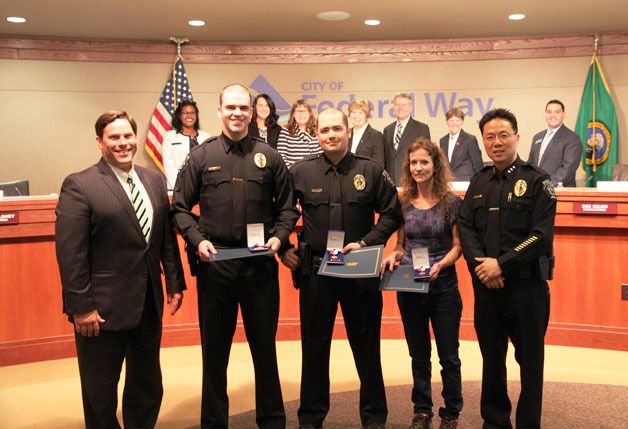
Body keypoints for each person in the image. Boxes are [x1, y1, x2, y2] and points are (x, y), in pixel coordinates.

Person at [171, 84, 296, 429]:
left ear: (252, 111)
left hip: (259, 268)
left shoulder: (269, 156)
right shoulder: (201, 156)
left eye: (244, 107)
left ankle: (272, 421)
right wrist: (196, 240)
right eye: (231, 107)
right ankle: (213, 424)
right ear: (219, 110)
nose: (238, 113)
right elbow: (179, 208)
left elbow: (287, 209)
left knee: (264, 350)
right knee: (214, 354)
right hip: (217, 265)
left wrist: (280, 237)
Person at [55, 110, 186, 429]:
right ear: (100, 141)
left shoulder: (154, 180)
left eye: (128, 136)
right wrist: (81, 307)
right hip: (100, 311)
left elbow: (164, 238)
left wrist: (174, 281)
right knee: (100, 391)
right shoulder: (80, 184)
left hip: (146, 303)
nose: (123, 143)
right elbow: (71, 253)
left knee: (147, 384)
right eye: (114, 137)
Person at [282, 108, 402, 429]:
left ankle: (374, 418)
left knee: (366, 345)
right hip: (316, 269)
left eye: (337, 128)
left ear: (348, 131)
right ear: (317, 134)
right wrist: (284, 248)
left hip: (358, 268)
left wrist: (366, 242)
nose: (331, 135)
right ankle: (311, 418)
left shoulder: (371, 171)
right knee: (314, 345)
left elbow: (392, 214)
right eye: (324, 130)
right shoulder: (300, 172)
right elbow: (281, 214)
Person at [458, 108, 557, 429]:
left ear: (517, 137)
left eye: (503, 135)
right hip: (486, 287)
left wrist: (500, 264)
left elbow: (540, 237)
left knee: (530, 363)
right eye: (490, 137)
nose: (497, 142)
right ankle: (495, 420)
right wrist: (481, 267)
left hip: (526, 289)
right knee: (492, 359)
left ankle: (529, 423)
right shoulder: (479, 180)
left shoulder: (537, 181)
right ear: (484, 142)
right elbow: (465, 225)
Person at [381, 138, 463, 429]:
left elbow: (458, 246)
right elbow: (402, 244)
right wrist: (394, 253)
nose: (418, 168)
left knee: (449, 355)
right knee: (418, 353)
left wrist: (441, 264)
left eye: (424, 162)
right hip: (411, 288)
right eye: (413, 162)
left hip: (444, 289)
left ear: (435, 165)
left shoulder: (452, 203)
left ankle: (451, 412)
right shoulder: (402, 202)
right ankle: (422, 409)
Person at [528, 99, 582, 187]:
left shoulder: (572, 138)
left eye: (557, 112)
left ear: (564, 114)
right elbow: (531, 164)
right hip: (537, 192)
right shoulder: (537, 137)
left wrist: (544, 185)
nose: (552, 115)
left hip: (560, 193)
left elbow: (567, 170)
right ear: (545, 114)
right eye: (549, 112)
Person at [162, 100, 211, 190]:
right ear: (180, 116)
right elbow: (168, 164)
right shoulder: (170, 136)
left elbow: (209, 163)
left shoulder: (205, 136)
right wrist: (180, 187)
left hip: (202, 188)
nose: (189, 115)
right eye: (185, 113)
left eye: (192, 113)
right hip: (177, 187)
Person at [383, 93, 431, 184]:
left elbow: (426, 157)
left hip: (413, 181)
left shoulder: (421, 128)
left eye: (404, 105)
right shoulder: (387, 130)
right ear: (393, 107)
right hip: (391, 184)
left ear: (411, 108)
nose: (400, 108)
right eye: (398, 105)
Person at [439, 107, 483, 181]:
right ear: (446, 122)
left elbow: (478, 164)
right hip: (448, 183)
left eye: (457, 120)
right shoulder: (443, 141)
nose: (454, 124)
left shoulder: (470, 139)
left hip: (466, 182)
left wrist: (479, 183)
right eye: (451, 120)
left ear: (462, 122)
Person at [276, 99, 322, 168]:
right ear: (293, 114)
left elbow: (322, 155)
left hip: (315, 174)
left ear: (309, 113)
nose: (301, 114)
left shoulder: (317, 131)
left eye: (304, 111)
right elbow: (281, 156)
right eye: (298, 111)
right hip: (293, 175)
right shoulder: (285, 132)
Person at [348, 99, 386, 166]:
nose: (356, 116)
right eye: (353, 112)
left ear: (367, 116)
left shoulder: (375, 136)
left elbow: (379, 164)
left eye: (360, 113)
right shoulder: (346, 134)